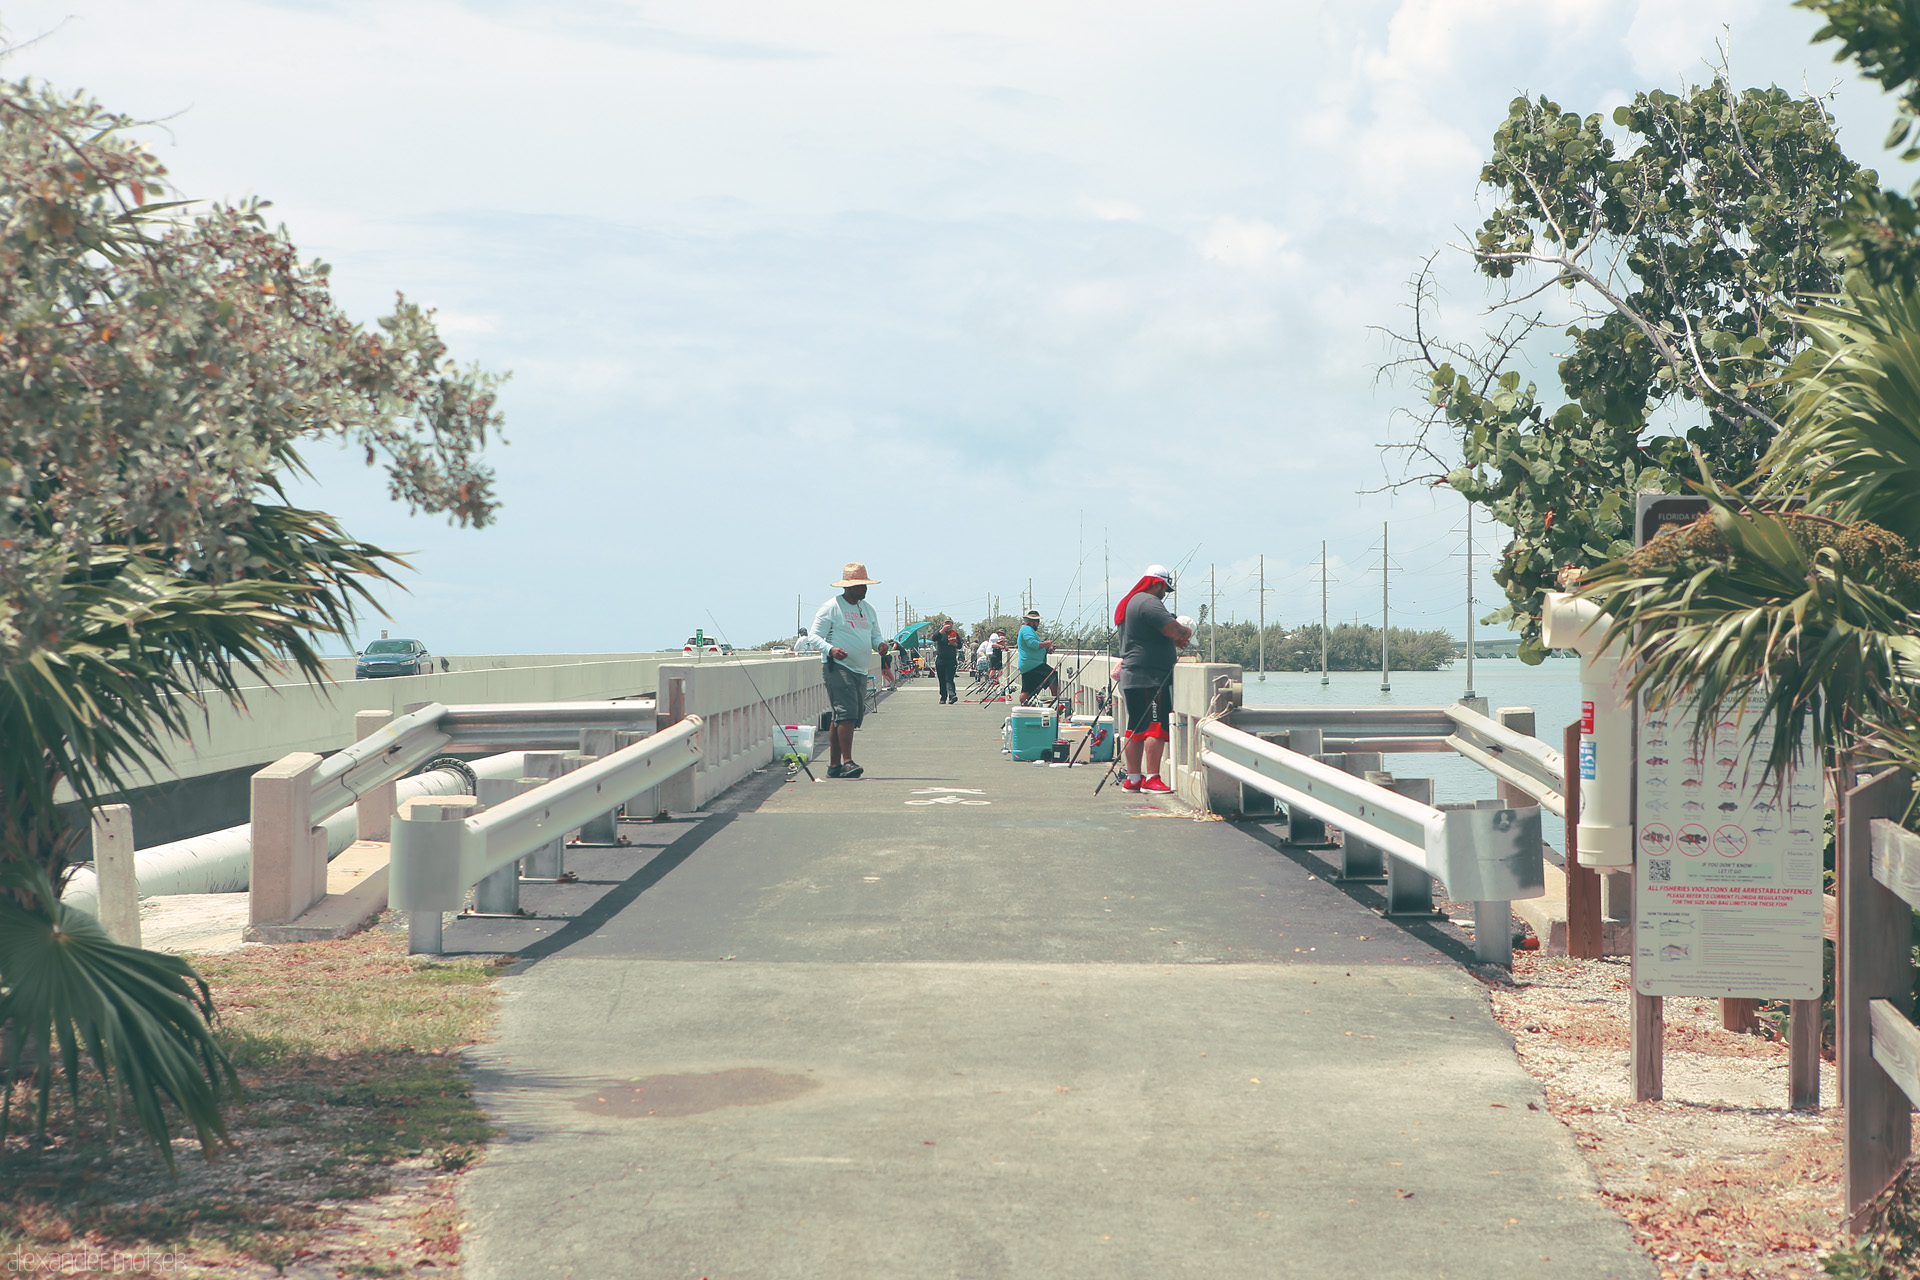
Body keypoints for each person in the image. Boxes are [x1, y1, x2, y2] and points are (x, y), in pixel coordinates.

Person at [1113, 564, 1192, 794]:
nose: (1164, 594)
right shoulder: (1149, 602)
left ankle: (1133, 778)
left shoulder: (1130, 601)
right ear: (1157, 584)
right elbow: (1174, 630)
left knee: (1135, 728)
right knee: (1155, 728)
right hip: (1151, 676)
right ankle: (1152, 779)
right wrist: (1185, 633)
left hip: (1133, 675)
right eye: (1165, 589)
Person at [809, 562, 883, 779]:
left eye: (865, 585)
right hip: (838, 667)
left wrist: (880, 645)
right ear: (848, 587)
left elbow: (874, 635)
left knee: (843, 716)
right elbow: (814, 636)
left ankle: (834, 766)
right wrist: (830, 649)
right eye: (860, 586)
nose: (865, 589)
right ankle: (848, 762)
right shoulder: (832, 607)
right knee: (847, 713)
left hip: (860, 668)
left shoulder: (868, 610)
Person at [1015, 609, 1058, 705]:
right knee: (1053, 674)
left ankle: (1024, 706)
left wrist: (1046, 649)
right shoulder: (1026, 629)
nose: (1038, 623)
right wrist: (1046, 644)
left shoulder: (1026, 629)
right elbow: (1032, 644)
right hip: (1032, 663)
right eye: (1037, 621)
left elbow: (1033, 647)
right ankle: (1055, 700)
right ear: (1031, 621)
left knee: (1027, 688)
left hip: (1027, 664)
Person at [932, 618, 962, 704]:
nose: (948, 625)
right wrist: (942, 630)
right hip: (940, 659)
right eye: (946, 623)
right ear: (943, 623)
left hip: (951, 659)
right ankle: (943, 697)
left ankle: (952, 696)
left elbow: (960, 645)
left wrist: (955, 644)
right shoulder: (939, 633)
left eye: (949, 623)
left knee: (949, 679)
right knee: (941, 679)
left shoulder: (954, 633)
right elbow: (934, 638)